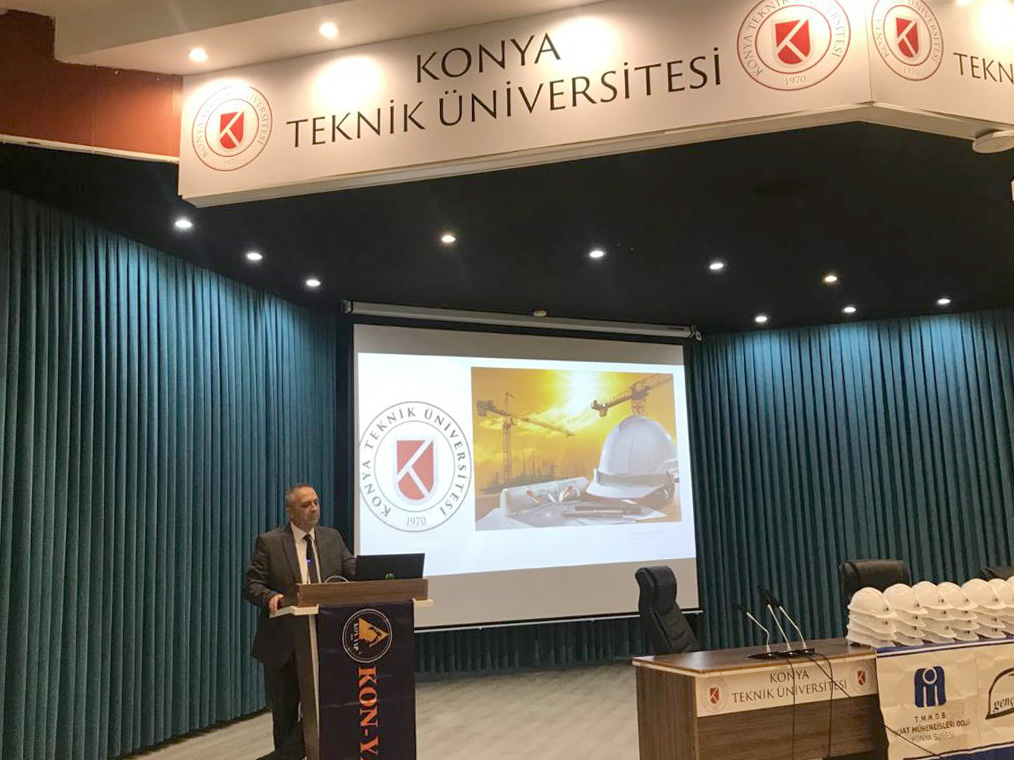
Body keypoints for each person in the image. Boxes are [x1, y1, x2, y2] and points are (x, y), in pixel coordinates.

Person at [243, 483, 356, 760]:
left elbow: (352, 571)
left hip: (327, 639)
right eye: (306, 505)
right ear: (290, 512)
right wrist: (272, 596)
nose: (314, 509)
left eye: (316, 502)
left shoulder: (332, 538)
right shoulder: (270, 542)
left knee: (327, 708)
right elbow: (252, 585)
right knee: (284, 715)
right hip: (284, 643)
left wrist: (381, 575)